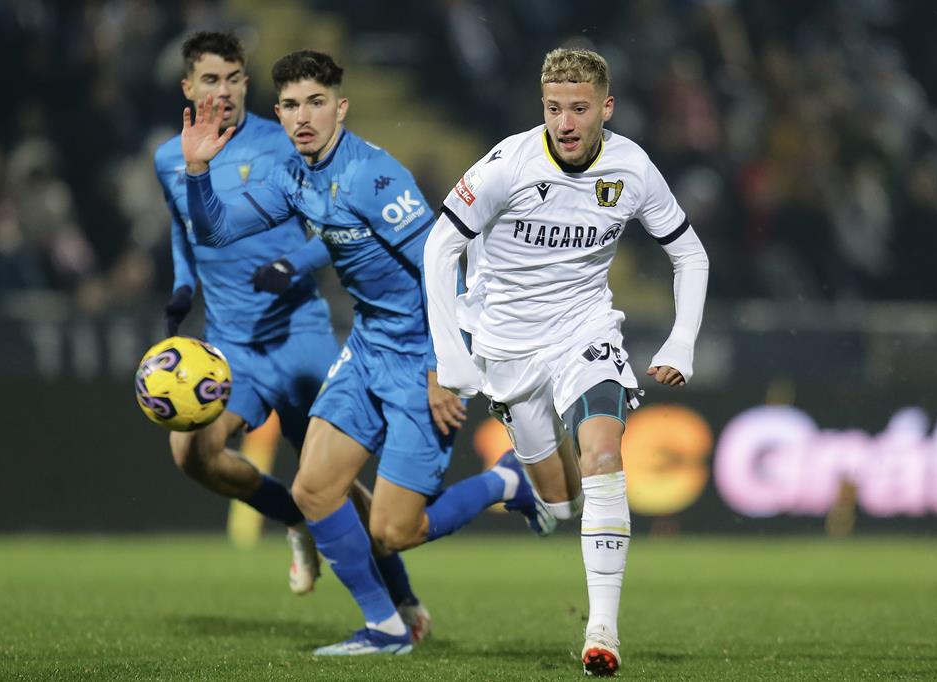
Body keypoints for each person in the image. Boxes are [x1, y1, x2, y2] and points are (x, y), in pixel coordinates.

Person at [180, 49, 553, 656]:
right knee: (312, 491)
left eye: (317, 103)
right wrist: (198, 172)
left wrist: (441, 369)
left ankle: (505, 482)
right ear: (279, 113)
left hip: (422, 353)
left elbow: (443, 266)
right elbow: (215, 229)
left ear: (341, 108)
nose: (305, 117)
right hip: (368, 345)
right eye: (293, 105)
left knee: (393, 530)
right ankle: (385, 628)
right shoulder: (292, 177)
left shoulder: (374, 179)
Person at [423, 48, 709, 677]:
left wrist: (682, 338)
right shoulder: (508, 165)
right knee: (559, 506)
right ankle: (521, 485)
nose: (565, 122)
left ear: (605, 108)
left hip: (583, 330)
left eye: (579, 109)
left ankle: (601, 629)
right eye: (554, 108)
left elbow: (690, 253)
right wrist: (452, 356)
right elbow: (440, 247)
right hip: (504, 346)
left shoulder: (632, 167)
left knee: (605, 456)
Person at [154, 34, 427, 635]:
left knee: (330, 477)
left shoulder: (286, 141)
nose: (221, 90)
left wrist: (293, 266)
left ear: (248, 84)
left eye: (232, 78)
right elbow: (190, 230)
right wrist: (181, 284)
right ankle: (294, 519)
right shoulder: (173, 156)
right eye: (209, 80)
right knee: (192, 453)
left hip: (298, 331)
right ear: (188, 88)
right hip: (231, 341)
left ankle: (401, 599)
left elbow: (334, 224)